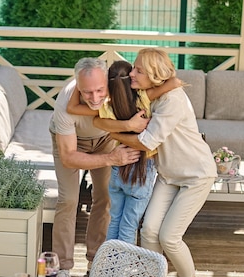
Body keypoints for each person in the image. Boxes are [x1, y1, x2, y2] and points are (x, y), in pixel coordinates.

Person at [111, 48, 217, 277]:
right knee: (148, 231)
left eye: (138, 71)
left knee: (169, 236)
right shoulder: (150, 95)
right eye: (134, 68)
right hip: (169, 175)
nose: (131, 74)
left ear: (155, 76)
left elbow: (147, 143)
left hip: (196, 175)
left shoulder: (173, 102)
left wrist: (113, 135)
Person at [49, 57, 141, 277]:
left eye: (100, 90)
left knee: (106, 197)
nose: (95, 97)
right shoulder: (65, 104)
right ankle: (62, 267)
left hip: (105, 138)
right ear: (78, 86)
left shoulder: (118, 87)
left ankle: (96, 262)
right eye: (87, 92)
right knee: (68, 200)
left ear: (107, 83)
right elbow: (69, 157)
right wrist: (111, 159)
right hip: (71, 143)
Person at [67, 60, 180, 244]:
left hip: (118, 167)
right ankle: (122, 272)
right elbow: (174, 82)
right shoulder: (144, 99)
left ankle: (110, 267)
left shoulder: (105, 107)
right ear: (131, 81)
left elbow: (71, 107)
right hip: (142, 170)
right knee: (128, 227)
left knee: (113, 223)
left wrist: (79, 83)